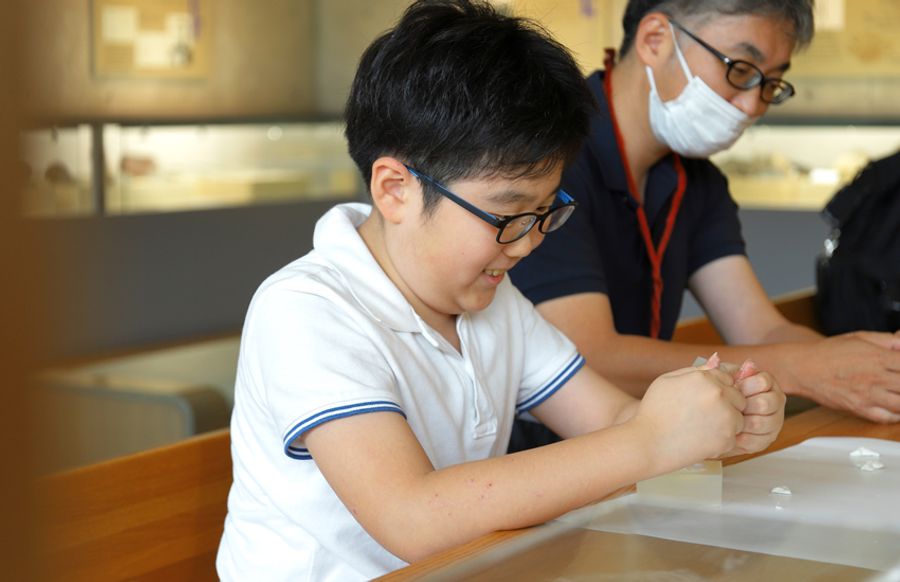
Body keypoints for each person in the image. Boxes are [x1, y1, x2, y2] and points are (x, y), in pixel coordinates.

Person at [216, 2, 786, 580]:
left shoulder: (493, 302)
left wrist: (712, 425)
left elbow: (613, 417)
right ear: (395, 189)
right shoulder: (307, 311)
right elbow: (412, 517)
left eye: (546, 213)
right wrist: (651, 441)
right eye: (509, 215)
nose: (528, 243)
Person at [508, 0, 900, 440]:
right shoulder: (552, 158)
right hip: (538, 451)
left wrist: (873, 365)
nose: (753, 106)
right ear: (655, 40)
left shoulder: (696, 179)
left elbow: (761, 328)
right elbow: (589, 356)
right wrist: (804, 368)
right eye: (741, 70)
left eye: (771, 83)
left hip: (644, 443)